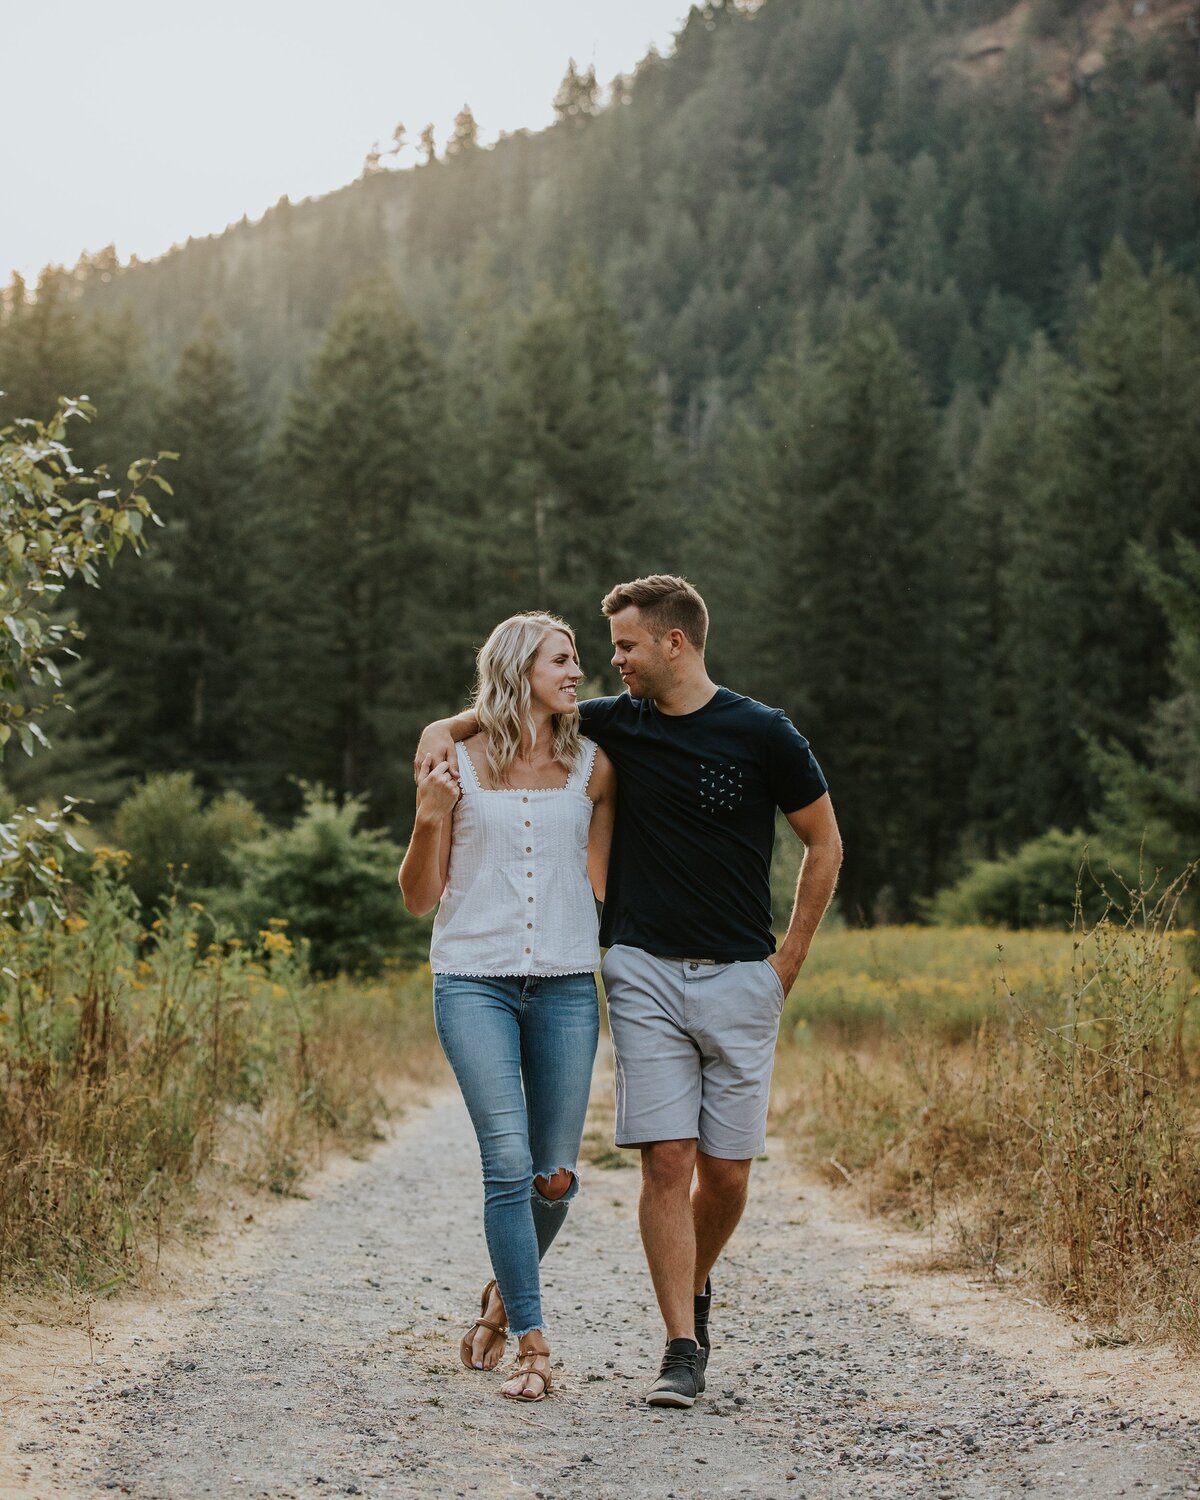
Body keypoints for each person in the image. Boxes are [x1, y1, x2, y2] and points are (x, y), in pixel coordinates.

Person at [415, 575, 842, 1410]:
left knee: (720, 1175)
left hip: (738, 976)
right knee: (661, 1162)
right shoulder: (617, 725)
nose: (611, 666)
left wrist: (785, 965)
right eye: (599, 653)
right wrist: (441, 731)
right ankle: (678, 1346)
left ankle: (647, 1286)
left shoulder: (762, 733)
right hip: (638, 970)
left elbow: (824, 843)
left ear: (673, 643)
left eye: (625, 648)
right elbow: (511, 710)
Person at [399, 612, 616, 1403]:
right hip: (472, 981)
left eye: (579, 659)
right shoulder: (449, 764)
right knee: (507, 1162)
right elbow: (420, 898)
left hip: (564, 984)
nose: (577, 671)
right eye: (563, 659)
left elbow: (604, 884)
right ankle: (535, 1342)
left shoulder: (594, 765)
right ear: (522, 667)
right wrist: (428, 819)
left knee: (555, 1177)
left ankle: (496, 1303)